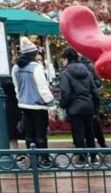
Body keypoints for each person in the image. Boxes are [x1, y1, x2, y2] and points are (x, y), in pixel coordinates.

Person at [11, 36, 54, 166]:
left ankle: (33, 159)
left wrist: (21, 99)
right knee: (41, 134)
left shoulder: (15, 68)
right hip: (38, 106)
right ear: (33, 54)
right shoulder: (36, 67)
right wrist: (51, 104)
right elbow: (43, 88)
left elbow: (17, 88)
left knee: (29, 134)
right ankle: (44, 159)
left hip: (24, 105)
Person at [59, 47, 99, 165]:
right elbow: (94, 90)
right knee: (89, 133)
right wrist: (95, 107)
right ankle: (93, 157)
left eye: (63, 59)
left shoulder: (66, 73)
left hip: (74, 108)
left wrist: (63, 105)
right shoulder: (87, 71)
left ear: (66, 59)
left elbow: (66, 92)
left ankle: (82, 158)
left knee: (78, 134)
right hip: (88, 106)